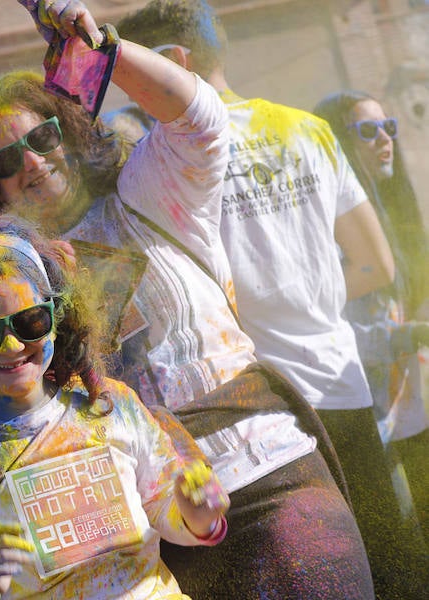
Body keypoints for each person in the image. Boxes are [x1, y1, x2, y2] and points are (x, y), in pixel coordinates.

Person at [0, 1, 374, 597]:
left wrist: (100, 51)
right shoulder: (13, 281)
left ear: (69, 132)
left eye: (42, 137)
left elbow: (199, 118)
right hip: (156, 539)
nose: (32, 162)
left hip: (267, 477)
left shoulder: (147, 195)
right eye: (7, 161)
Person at [117, 2, 428, 595]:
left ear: (174, 64)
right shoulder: (307, 129)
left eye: (133, 72)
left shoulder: (168, 160)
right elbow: (376, 263)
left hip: (259, 421)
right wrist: (314, 299)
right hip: (341, 383)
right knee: (392, 568)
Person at [0, 215, 229, 599]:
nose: (10, 347)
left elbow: (164, 510)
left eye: (29, 322)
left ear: (56, 319)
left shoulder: (111, 404)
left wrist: (199, 515)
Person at [314, 90, 429, 534]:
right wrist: (414, 334)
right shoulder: (333, 229)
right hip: (373, 423)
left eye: (390, 126)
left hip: (411, 412)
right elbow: (339, 330)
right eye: (368, 130)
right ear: (342, 142)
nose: (385, 138)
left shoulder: (387, 213)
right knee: (404, 547)